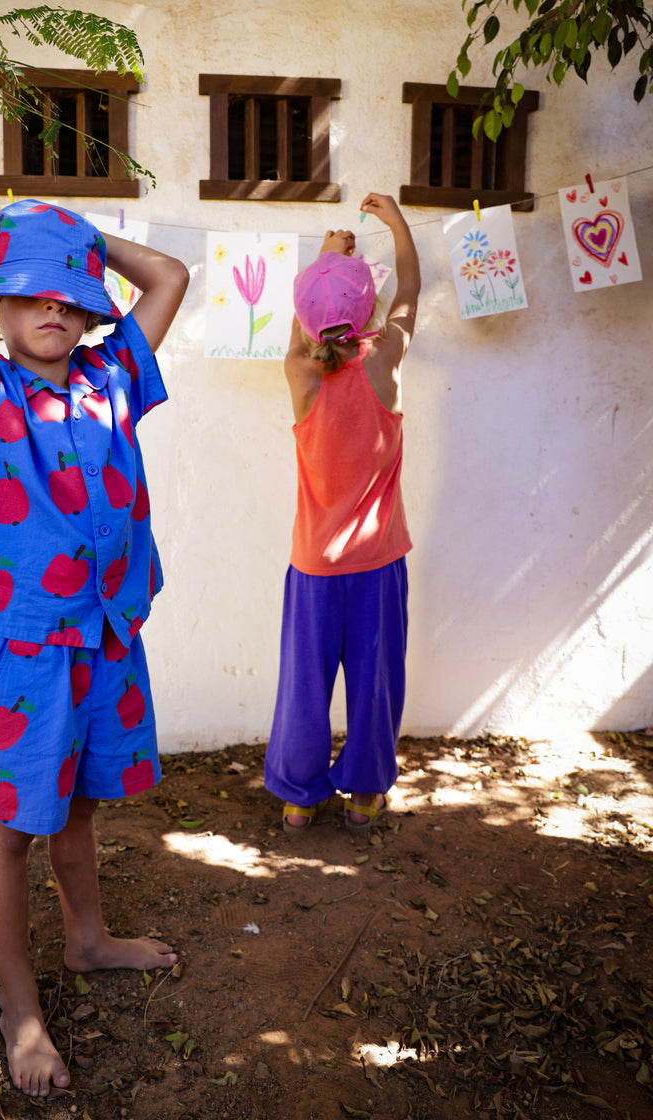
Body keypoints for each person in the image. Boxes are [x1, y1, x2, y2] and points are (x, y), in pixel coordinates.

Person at [0, 198, 189, 1097]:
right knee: (11, 830)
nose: (55, 309)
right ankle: (19, 1005)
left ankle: (87, 938)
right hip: (25, 650)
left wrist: (78, 238)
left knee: (76, 808)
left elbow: (169, 277)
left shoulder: (113, 377)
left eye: (71, 296)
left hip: (105, 635)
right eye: (31, 292)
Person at [263, 192, 421, 835]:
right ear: (370, 313)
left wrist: (325, 260)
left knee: (304, 684)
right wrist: (396, 224)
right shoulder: (385, 362)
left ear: (305, 319)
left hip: (313, 568)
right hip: (378, 564)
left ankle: (299, 800)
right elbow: (409, 288)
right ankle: (363, 795)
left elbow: (308, 327)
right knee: (375, 684)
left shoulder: (299, 372)